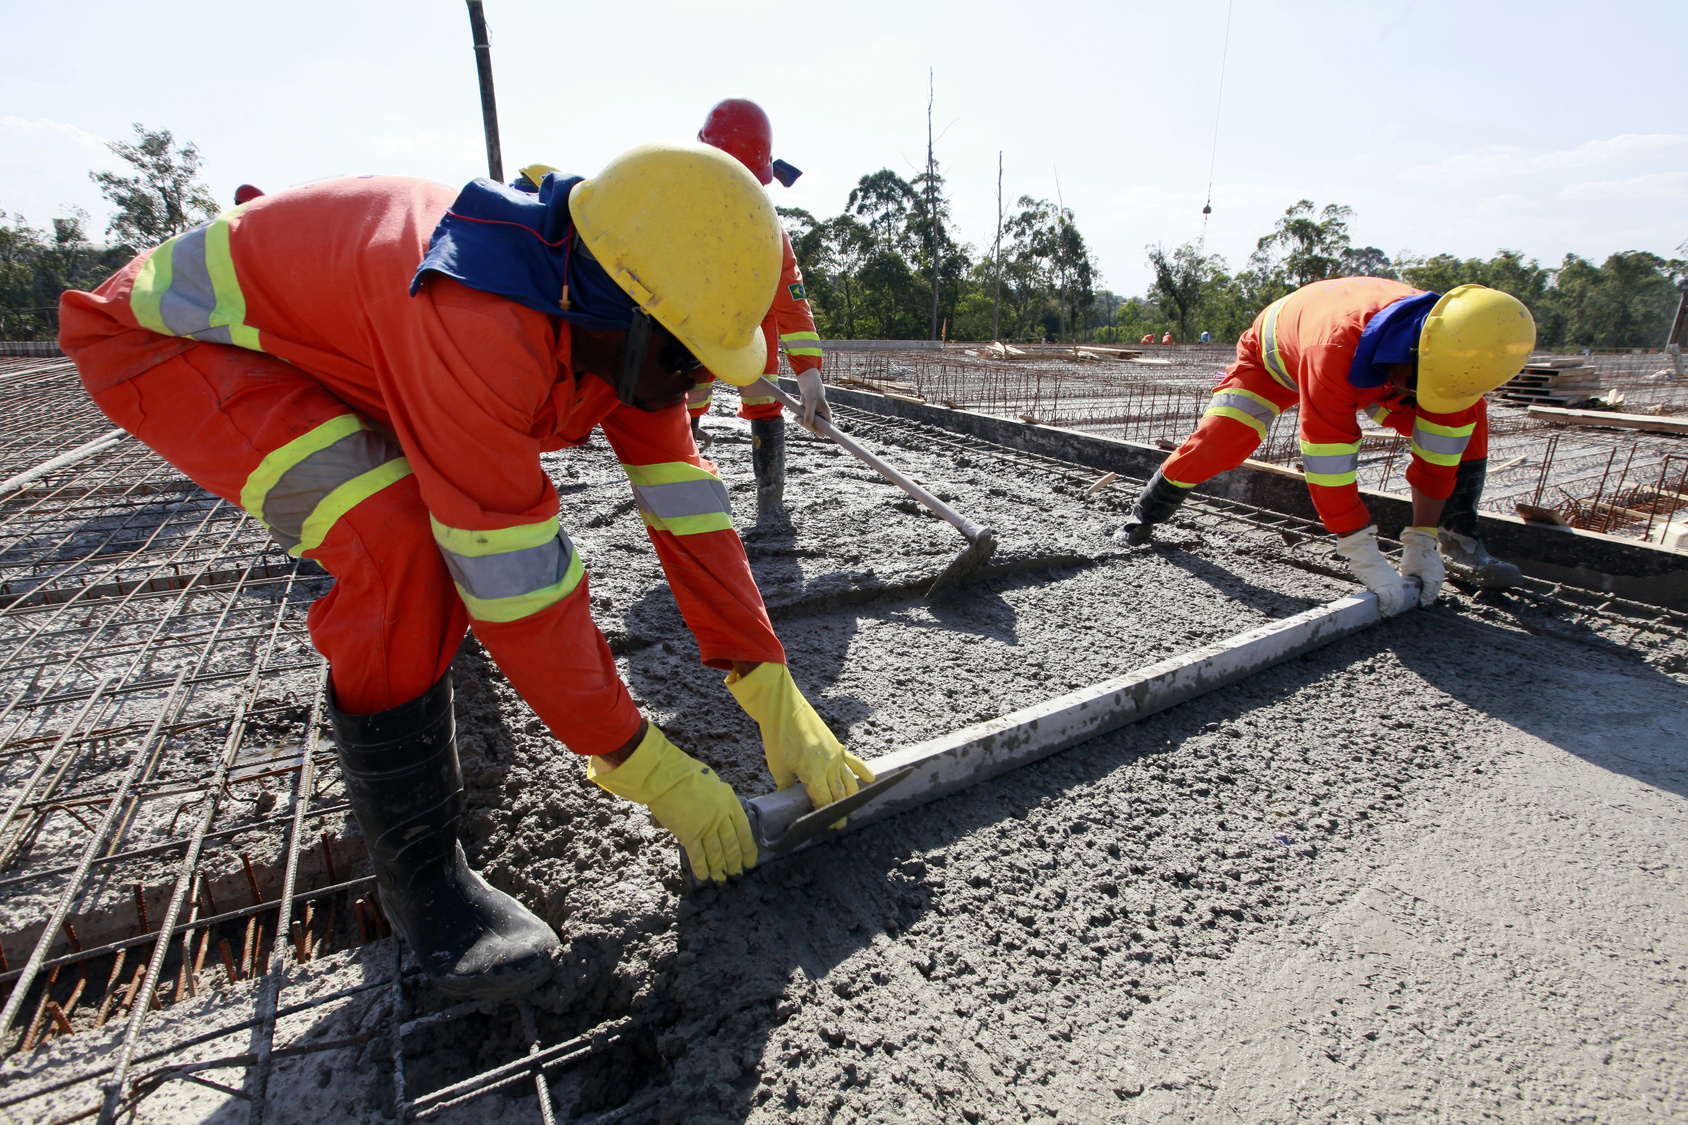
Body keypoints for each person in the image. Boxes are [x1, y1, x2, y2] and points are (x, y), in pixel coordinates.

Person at [58, 143, 873, 1000]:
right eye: (687, 362)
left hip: (332, 349)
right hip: (175, 343)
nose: (693, 386)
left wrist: (772, 685)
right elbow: (519, 587)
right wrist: (643, 763)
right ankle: (426, 890)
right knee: (399, 542)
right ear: (628, 315)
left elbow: (687, 504)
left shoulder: (603, 310)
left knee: (424, 530)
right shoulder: (479, 318)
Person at [1117, 277, 1535, 609]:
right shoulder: (1333, 349)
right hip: (1275, 358)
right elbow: (1327, 462)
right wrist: (1360, 550)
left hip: (1374, 362)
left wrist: (1421, 536)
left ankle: (1457, 539)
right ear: (1412, 352)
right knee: (1221, 442)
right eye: (1415, 387)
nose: (1419, 399)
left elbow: (1441, 454)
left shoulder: (1455, 352)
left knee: (1469, 422)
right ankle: (1144, 515)